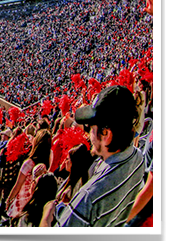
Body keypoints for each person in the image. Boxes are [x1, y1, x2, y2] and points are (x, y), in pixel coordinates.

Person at [44, 86, 147, 228]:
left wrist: (46, 215)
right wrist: (66, 209)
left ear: (106, 134)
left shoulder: (87, 199)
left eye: (91, 128)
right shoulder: (138, 158)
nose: (89, 135)